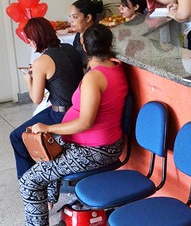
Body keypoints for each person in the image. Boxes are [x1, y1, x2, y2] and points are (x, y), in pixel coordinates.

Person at [19, 24, 128, 226]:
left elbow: (85, 122)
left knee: (28, 182)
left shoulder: (94, 78)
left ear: (84, 48)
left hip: (95, 150)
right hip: (102, 144)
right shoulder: (115, 67)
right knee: (47, 154)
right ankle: (51, 200)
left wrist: (48, 127)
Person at [10, 17, 84, 180]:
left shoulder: (41, 62)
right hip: (80, 108)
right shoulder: (69, 48)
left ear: (35, 39)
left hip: (61, 114)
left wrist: (29, 81)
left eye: (29, 39)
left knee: (16, 136)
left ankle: (29, 181)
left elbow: (36, 99)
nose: (28, 43)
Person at [69, 0, 103, 67]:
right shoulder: (78, 35)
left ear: (88, 18)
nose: (71, 21)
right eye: (70, 17)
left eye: (75, 17)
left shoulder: (97, 36)